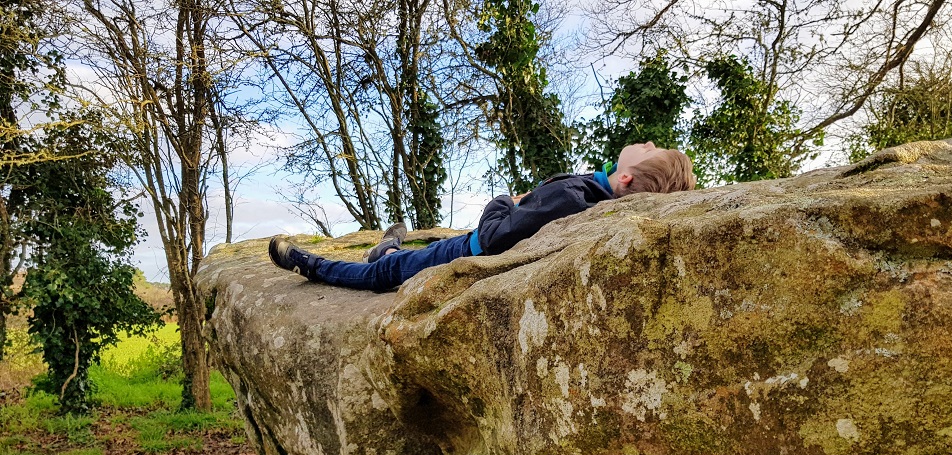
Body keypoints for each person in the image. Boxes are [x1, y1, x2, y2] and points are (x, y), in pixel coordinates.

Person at [269, 142, 696, 291]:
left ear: (624, 176)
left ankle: (312, 265)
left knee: (390, 275)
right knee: (409, 256)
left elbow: (494, 237)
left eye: (649, 150)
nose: (647, 141)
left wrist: (506, 200)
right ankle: (388, 246)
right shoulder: (593, 194)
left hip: (466, 252)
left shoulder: (574, 197)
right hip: (458, 247)